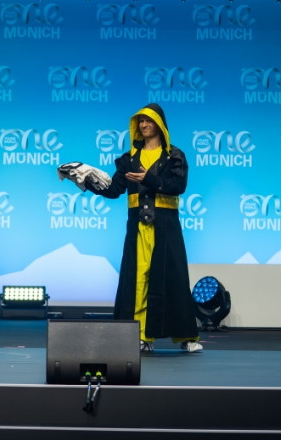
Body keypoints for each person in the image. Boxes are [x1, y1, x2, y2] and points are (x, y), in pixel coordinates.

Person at [85, 103, 202, 353]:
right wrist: (86, 181)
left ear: (159, 124)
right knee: (138, 280)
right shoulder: (129, 160)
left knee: (174, 279)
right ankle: (140, 337)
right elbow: (114, 190)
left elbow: (178, 185)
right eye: (140, 121)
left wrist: (148, 179)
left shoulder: (174, 156)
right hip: (138, 227)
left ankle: (187, 336)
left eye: (148, 121)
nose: (144, 125)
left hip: (166, 227)